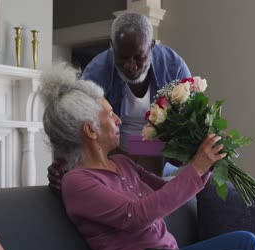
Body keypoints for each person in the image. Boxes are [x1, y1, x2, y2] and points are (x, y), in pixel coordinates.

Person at [39, 63, 255, 250]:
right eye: (109, 115)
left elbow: (168, 191)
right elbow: (136, 215)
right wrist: (197, 166)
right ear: (90, 130)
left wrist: (204, 159)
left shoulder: (122, 162)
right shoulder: (77, 182)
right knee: (244, 245)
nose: (118, 119)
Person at [48, 12, 191, 191]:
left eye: (139, 57)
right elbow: (78, 122)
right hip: (113, 150)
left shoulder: (173, 67)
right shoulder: (97, 71)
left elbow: (188, 121)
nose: (130, 66)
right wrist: (64, 162)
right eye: (123, 58)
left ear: (152, 46)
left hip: (159, 151)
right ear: (112, 46)